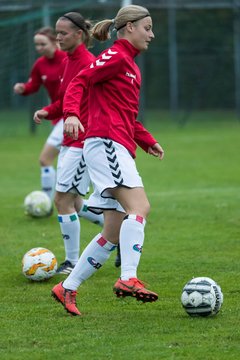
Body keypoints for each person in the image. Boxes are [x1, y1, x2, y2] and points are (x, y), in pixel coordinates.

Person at [51, 4, 164, 316]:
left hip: (117, 142)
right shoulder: (116, 57)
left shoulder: (129, 65)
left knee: (113, 229)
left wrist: (147, 140)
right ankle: (128, 278)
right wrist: (71, 112)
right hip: (105, 142)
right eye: (147, 27)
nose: (151, 34)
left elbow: (125, 113)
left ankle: (67, 287)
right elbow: (79, 82)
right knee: (139, 208)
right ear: (129, 27)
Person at [33, 12, 104, 274]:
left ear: (79, 35)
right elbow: (65, 102)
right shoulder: (70, 60)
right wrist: (47, 111)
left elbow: (96, 102)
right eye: (57, 32)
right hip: (69, 139)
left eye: (62, 33)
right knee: (74, 204)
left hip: (82, 142)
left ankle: (73, 262)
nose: (58, 37)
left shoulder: (87, 62)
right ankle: (115, 232)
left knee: (62, 200)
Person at [13, 27, 66, 204]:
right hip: (58, 116)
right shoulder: (40, 63)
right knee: (57, 162)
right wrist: (23, 88)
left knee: (45, 159)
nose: (39, 48)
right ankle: (56, 201)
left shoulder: (67, 60)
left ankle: (47, 202)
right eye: (36, 44)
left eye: (43, 44)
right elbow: (33, 85)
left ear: (55, 42)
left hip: (71, 116)